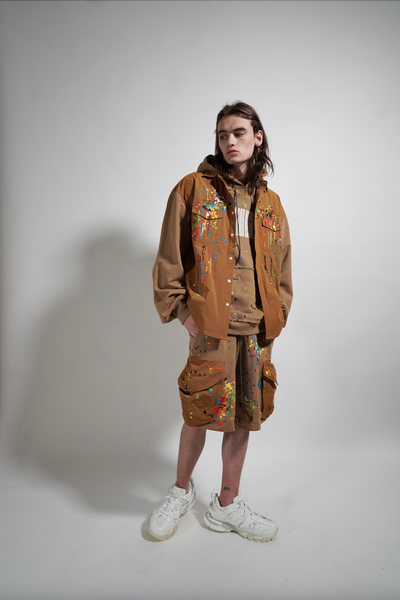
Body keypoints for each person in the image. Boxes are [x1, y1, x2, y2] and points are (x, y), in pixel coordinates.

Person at [149, 101, 293, 543]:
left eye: (238, 133)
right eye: (222, 134)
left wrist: (278, 314)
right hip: (211, 327)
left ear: (257, 137)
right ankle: (180, 492)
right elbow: (169, 258)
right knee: (199, 412)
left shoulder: (271, 203)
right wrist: (183, 312)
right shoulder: (192, 189)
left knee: (245, 416)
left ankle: (226, 505)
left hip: (257, 328)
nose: (229, 141)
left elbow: (283, 268)